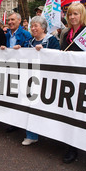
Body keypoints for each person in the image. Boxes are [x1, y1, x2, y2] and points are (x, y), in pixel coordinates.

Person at [13, 16, 60, 145]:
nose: (33, 28)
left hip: (46, 79)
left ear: (43, 28)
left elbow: (58, 57)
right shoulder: (29, 42)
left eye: (36, 26)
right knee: (30, 107)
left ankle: (50, 133)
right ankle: (31, 134)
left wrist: (45, 52)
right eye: (32, 26)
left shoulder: (52, 40)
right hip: (31, 79)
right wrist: (18, 49)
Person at [59, 2, 86, 163]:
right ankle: (69, 142)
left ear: (81, 15)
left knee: (78, 111)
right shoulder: (65, 33)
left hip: (82, 77)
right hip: (67, 76)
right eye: (70, 14)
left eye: (76, 14)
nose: (72, 17)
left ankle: (75, 145)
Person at [1, 12, 32, 132]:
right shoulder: (7, 34)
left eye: (13, 19)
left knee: (22, 97)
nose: (10, 22)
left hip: (22, 70)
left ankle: (23, 122)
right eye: (9, 20)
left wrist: (22, 49)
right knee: (12, 96)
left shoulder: (26, 34)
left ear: (19, 21)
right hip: (10, 69)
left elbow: (30, 51)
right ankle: (14, 122)